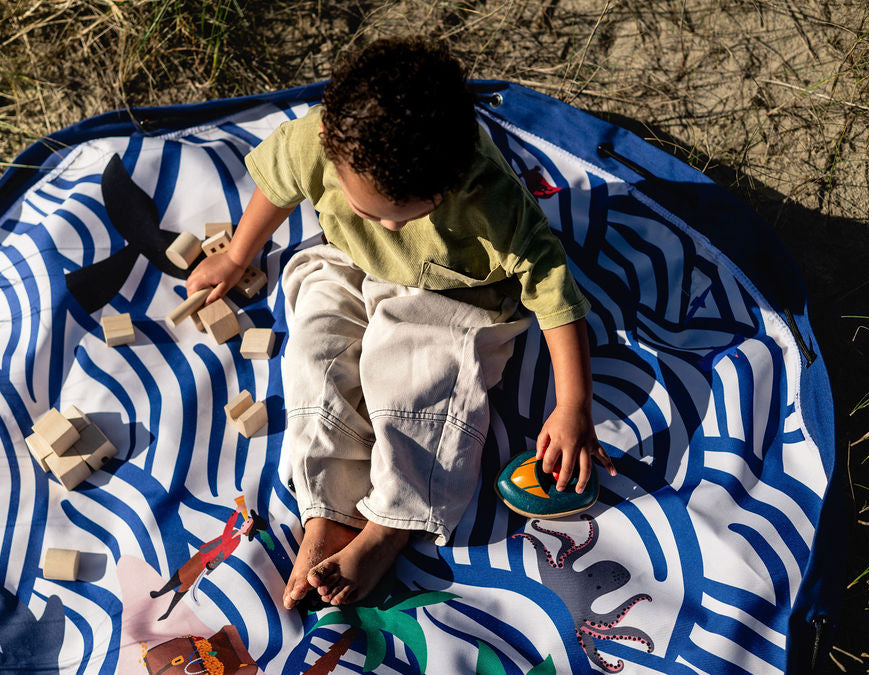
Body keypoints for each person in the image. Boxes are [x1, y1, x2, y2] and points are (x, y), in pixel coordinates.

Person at [186, 37, 617, 610]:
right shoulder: (320, 140)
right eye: (373, 212)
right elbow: (276, 186)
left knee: (415, 379)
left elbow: (556, 299)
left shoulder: (491, 201)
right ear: (329, 147)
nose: (391, 228)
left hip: (454, 290)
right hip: (348, 260)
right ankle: (326, 511)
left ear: (454, 181)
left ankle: (390, 524)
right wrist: (238, 255)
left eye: (409, 216)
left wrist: (572, 407)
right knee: (314, 352)